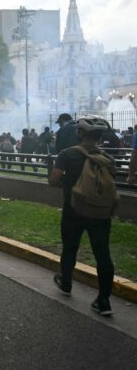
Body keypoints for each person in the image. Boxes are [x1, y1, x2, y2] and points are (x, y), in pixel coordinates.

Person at [48, 116, 117, 316]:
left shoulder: (67, 154)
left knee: (70, 248)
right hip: (100, 213)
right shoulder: (107, 159)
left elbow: (53, 181)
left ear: (80, 133)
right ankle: (103, 301)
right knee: (103, 254)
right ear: (98, 136)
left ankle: (66, 283)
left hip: (74, 210)